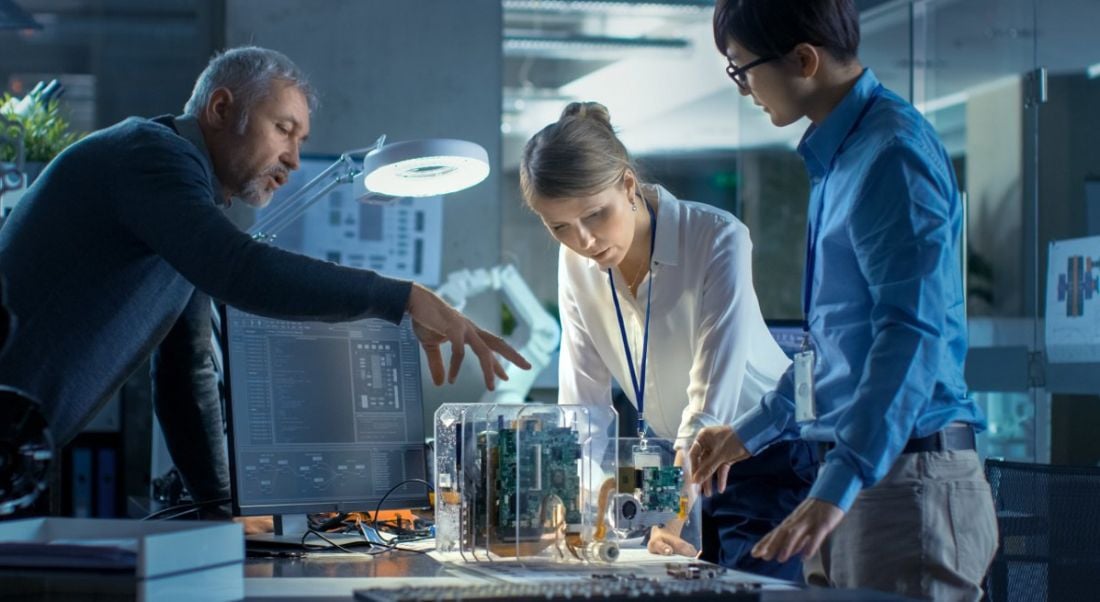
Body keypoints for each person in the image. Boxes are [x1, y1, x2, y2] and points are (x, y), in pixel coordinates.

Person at [0, 46, 529, 515]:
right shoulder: (150, 157)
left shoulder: (181, 207)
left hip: (19, 445)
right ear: (221, 108)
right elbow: (240, 270)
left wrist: (221, 510)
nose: (295, 160)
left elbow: (187, 374)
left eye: (301, 139)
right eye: (283, 129)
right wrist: (401, 297)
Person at [689, 1, 998, 599]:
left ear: (804, 60)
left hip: (902, 481)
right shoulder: (839, 159)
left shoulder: (892, 156)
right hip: (855, 474)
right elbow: (831, 350)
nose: (744, 89)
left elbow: (909, 334)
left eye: (741, 70)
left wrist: (841, 480)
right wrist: (750, 432)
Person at [520, 101, 817, 579]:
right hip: (669, 460)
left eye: (596, 215)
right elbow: (582, 407)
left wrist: (673, 514)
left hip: (760, 451)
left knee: (754, 590)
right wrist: (577, 512)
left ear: (628, 186)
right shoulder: (575, 263)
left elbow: (708, 406)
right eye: (560, 227)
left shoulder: (717, 237)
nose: (584, 241)